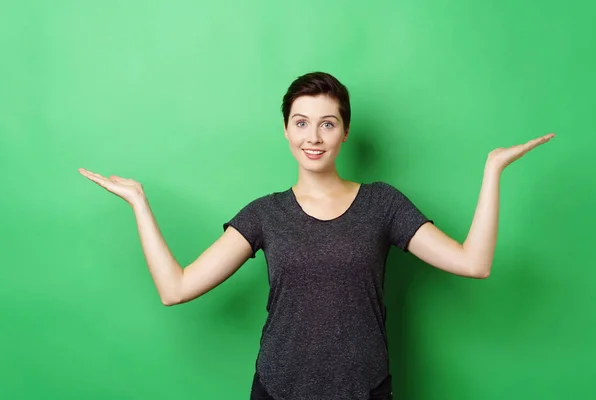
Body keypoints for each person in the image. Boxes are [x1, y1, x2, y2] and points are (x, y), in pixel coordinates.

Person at [78, 72, 555, 400]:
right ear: (286, 130)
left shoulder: (382, 203)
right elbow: (176, 288)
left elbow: (474, 263)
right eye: (301, 122)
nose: (314, 136)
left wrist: (492, 171)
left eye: (328, 123)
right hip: (277, 389)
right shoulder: (265, 214)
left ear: (344, 132)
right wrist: (139, 202)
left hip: (363, 390)